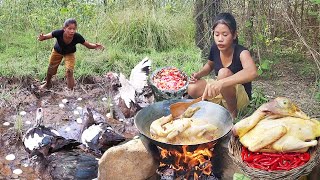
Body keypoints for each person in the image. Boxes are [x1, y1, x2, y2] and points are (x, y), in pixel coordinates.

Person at [188, 13, 258, 118]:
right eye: (217, 34)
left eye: (225, 35)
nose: (220, 39)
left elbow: (252, 72)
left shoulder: (242, 52)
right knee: (192, 88)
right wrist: (199, 74)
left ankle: (232, 115)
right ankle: (216, 108)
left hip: (239, 99)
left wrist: (221, 82)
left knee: (223, 73)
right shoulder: (214, 49)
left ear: (234, 35)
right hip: (221, 93)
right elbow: (209, 66)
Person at [38, 18, 104, 91]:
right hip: (57, 51)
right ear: (64, 28)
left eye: (74, 29)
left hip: (69, 53)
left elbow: (88, 45)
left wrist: (95, 46)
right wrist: (42, 38)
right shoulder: (58, 33)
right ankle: (47, 84)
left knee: (69, 71)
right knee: (51, 68)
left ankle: (71, 91)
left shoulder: (77, 36)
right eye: (69, 29)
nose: (72, 31)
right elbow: (46, 37)